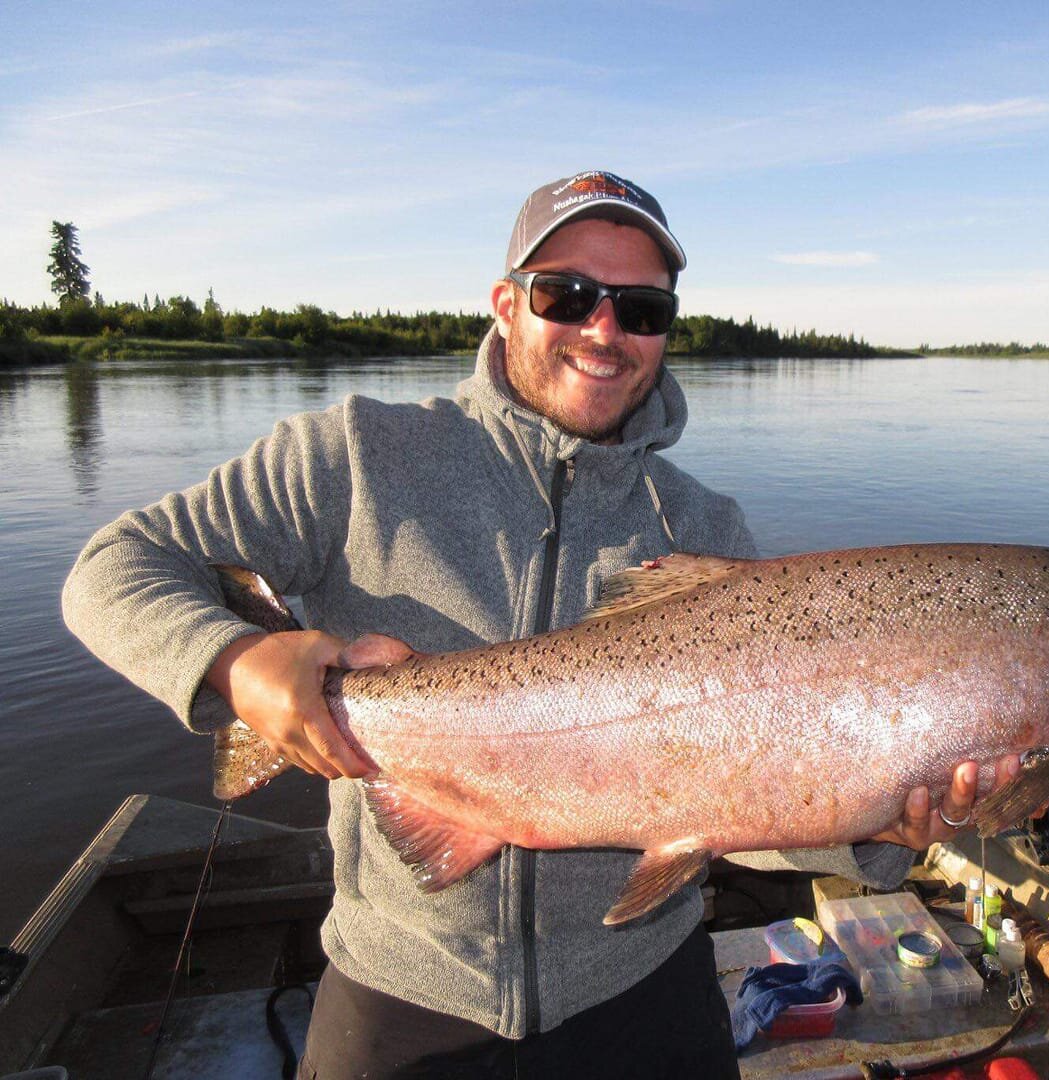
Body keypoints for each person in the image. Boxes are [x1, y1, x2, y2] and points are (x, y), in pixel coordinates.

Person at [62, 170, 1000, 1078]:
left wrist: (886, 824)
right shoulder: (352, 455)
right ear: (506, 305)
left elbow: (742, 794)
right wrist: (237, 661)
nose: (605, 329)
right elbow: (112, 569)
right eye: (567, 294)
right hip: (401, 992)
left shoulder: (707, 531)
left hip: (640, 987)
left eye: (642, 310)